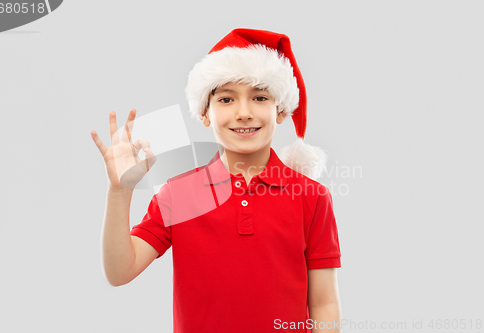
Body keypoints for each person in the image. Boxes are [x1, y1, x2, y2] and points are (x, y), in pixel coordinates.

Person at [91, 28, 342, 333]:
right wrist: (119, 191)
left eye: (259, 97)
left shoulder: (311, 197)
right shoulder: (178, 194)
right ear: (204, 113)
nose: (243, 113)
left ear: (280, 110)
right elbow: (119, 271)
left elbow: (324, 303)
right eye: (226, 99)